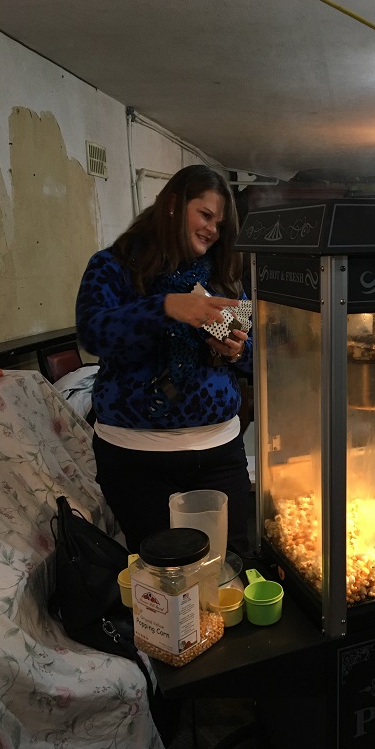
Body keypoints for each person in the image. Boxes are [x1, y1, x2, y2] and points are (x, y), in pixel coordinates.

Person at [76, 164, 253, 556]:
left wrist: (238, 350)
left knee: (230, 567)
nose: (212, 230)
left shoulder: (223, 277)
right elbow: (92, 334)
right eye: (205, 215)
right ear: (173, 205)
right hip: (136, 458)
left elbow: (254, 361)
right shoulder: (114, 266)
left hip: (219, 452)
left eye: (219, 224)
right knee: (163, 579)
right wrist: (168, 307)